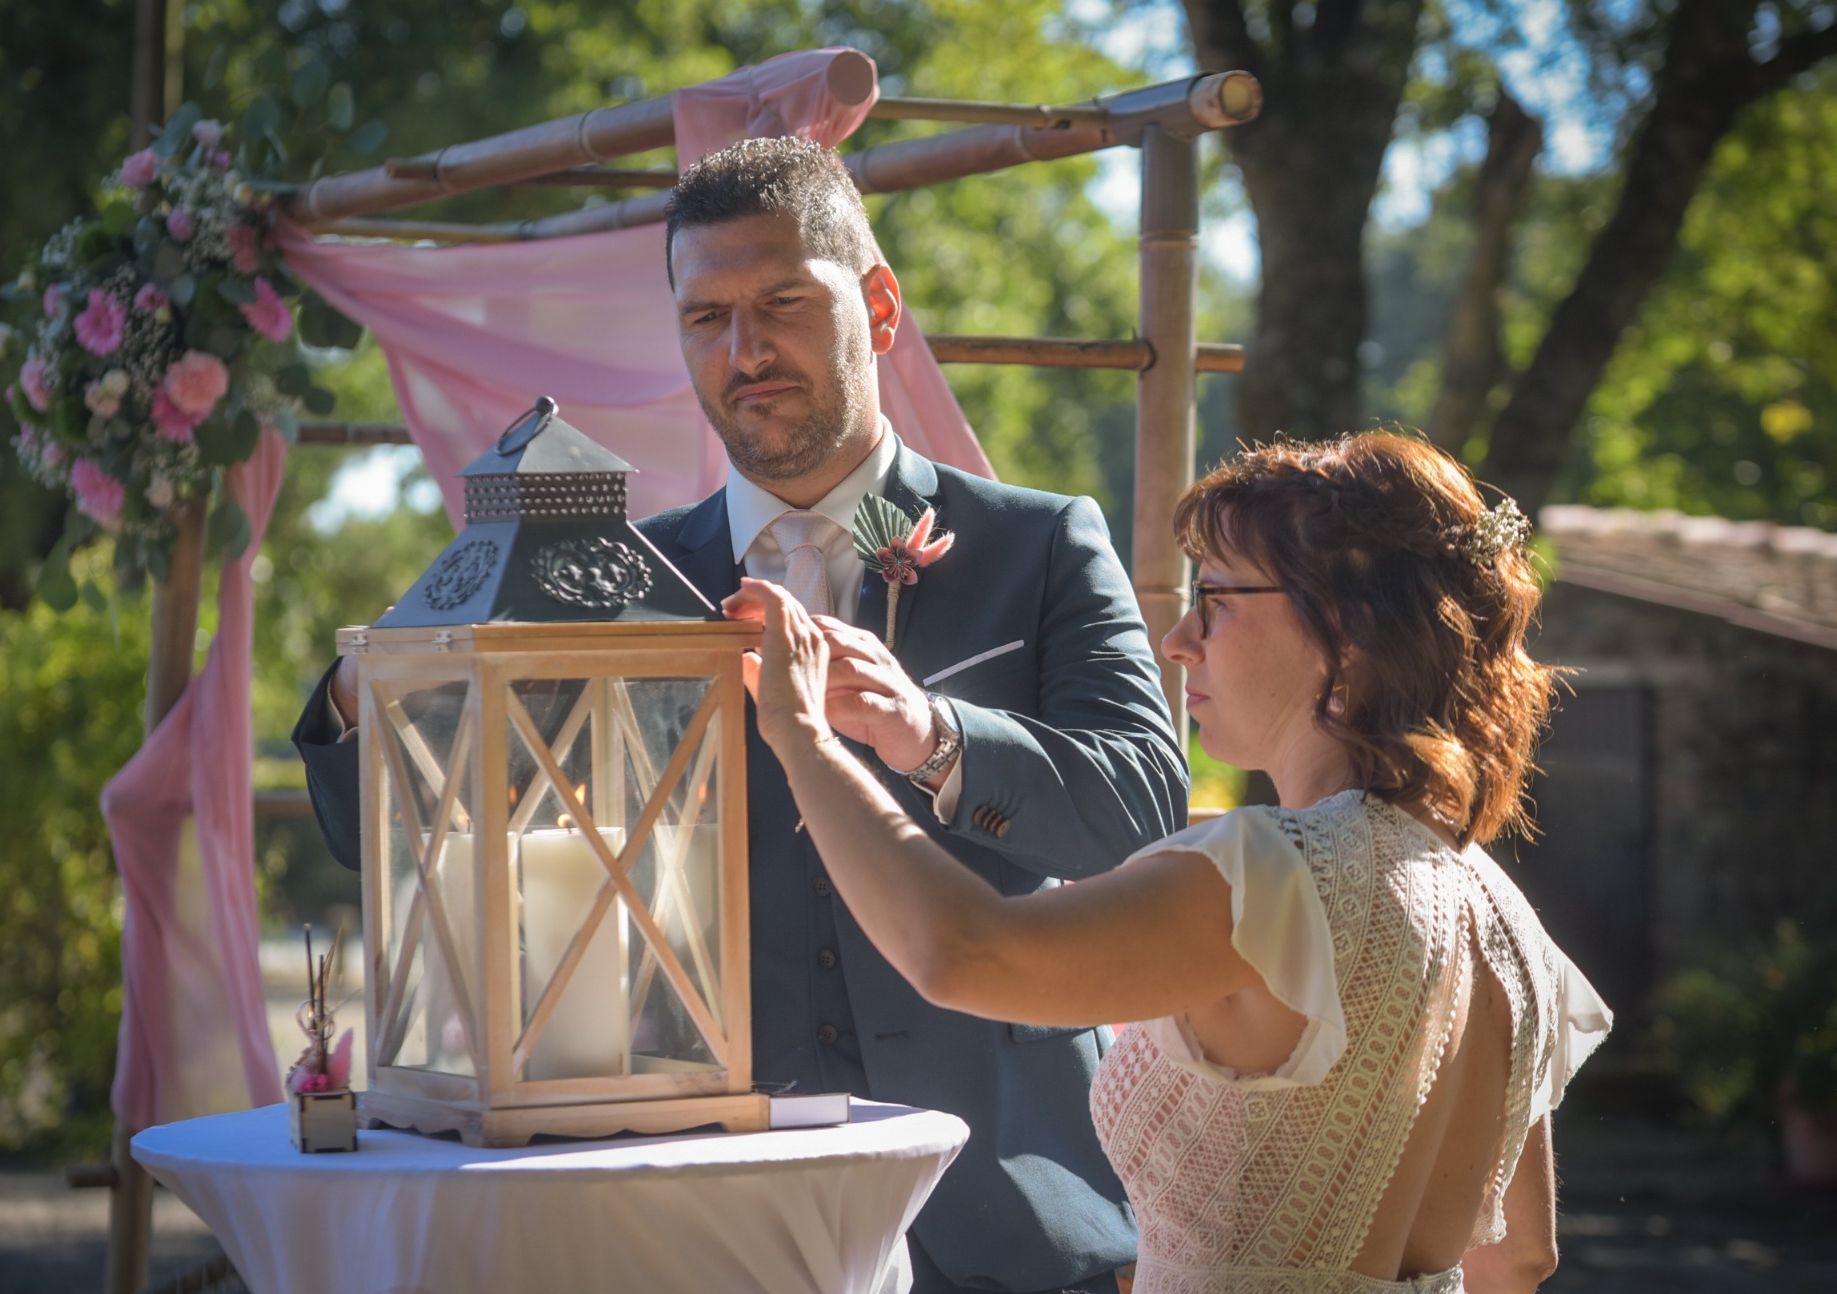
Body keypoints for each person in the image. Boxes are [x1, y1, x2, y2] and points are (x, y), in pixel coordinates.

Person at [292, 135, 1188, 1294]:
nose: (744, 350)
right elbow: (396, 832)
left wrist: (934, 735)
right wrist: (369, 691)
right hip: (710, 1210)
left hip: (1012, 1209)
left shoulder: (1041, 541)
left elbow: (1142, 807)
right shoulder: (611, 583)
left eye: (780, 303)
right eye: (705, 317)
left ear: (878, 306)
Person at [728, 432, 1614, 1294]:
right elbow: (1518, 1258)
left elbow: (963, 952)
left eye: (1217, 601)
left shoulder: (1266, 875)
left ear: (1347, 632)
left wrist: (801, 735)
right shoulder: (1502, 915)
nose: (1179, 640)